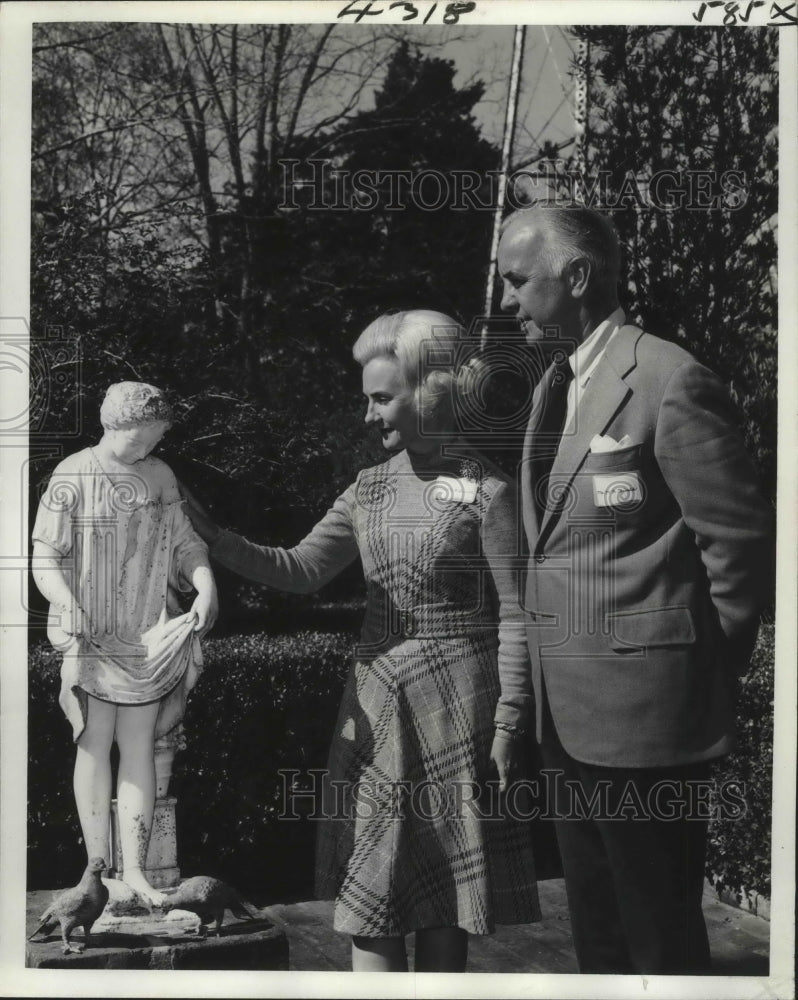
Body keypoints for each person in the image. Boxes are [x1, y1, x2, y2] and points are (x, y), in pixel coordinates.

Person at [182, 310, 541, 972]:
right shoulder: (369, 487)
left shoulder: (487, 490)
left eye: (382, 397)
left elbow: (520, 613)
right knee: (370, 906)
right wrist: (211, 538)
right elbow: (299, 569)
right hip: (376, 706)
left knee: (442, 909)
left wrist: (510, 721)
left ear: (431, 390)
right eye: (367, 399)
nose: (369, 415)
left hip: (459, 708)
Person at [497, 204, 774, 974]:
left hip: (652, 726)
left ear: (576, 277)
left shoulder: (670, 378)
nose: (509, 300)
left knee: (660, 941)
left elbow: (741, 545)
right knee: (599, 938)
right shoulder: (554, 386)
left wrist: (694, 676)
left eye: (519, 281)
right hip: (567, 719)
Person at [32, 381, 218, 905]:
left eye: (155, 440)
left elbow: (185, 542)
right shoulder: (75, 473)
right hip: (91, 630)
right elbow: (44, 554)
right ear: (116, 425)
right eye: (142, 439)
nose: (149, 450)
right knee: (94, 744)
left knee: (138, 746)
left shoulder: (160, 476)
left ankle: (134, 869)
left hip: (142, 634)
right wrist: (65, 600)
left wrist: (204, 584)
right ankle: (98, 872)